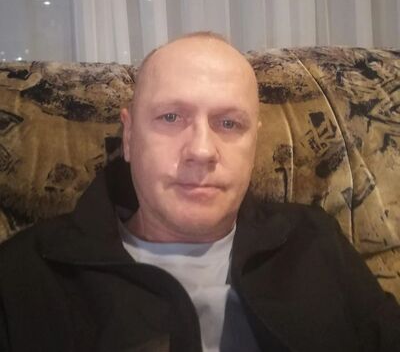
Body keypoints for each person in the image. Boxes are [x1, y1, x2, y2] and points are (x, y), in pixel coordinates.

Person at [1, 32, 400, 352]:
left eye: (228, 124)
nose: (202, 151)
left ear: (254, 143)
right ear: (129, 135)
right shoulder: (26, 275)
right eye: (171, 117)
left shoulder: (314, 240)